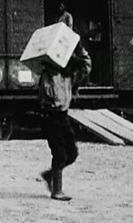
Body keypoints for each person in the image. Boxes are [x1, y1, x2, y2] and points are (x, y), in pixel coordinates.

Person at [39, 43, 91, 201]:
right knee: (60, 154)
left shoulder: (68, 75)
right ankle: (57, 191)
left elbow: (86, 67)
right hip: (51, 117)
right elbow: (50, 96)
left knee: (73, 153)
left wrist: (80, 49)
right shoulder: (47, 77)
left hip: (63, 116)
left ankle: (50, 175)